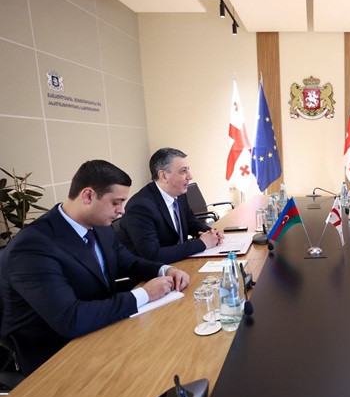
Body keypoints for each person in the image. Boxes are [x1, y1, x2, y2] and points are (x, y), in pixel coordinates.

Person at [0, 160, 190, 375]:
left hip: (102, 329)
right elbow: (71, 319)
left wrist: (165, 270)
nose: (122, 211)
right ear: (88, 196)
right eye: (116, 202)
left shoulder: (100, 227)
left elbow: (128, 262)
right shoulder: (32, 246)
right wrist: (144, 294)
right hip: (55, 357)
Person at [118, 148, 223, 264]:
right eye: (183, 171)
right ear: (163, 176)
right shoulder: (140, 207)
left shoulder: (179, 194)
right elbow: (153, 255)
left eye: (188, 170)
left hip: (179, 263)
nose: (190, 176)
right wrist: (202, 243)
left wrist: (212, 233)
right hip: (152, 272)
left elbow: (191, 223)